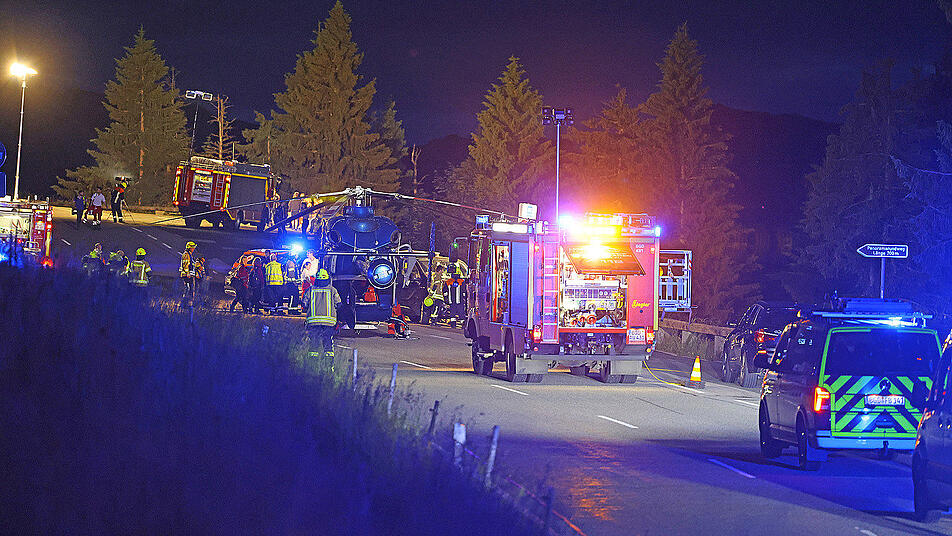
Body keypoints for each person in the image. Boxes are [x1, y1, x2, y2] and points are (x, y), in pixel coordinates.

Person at [304, 269, 341, 360]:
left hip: (313, 322)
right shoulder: (332, 290)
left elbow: (304, 304)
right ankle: (329, 363)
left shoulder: (310, 290)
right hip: (329, 323)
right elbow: (339, 304)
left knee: (314, 343)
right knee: (328, 342)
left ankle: (313, 363)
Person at [180, 241, 198, 308]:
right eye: (192, 248)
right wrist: (187, 273)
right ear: (189, 248)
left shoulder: (190, 254)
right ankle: (184, 304)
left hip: (189, 275)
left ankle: (188, 304)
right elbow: (185, 265)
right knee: (187, 289)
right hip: (186, 275)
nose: (193, 249)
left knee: (190, 289)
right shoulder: (186, 255)